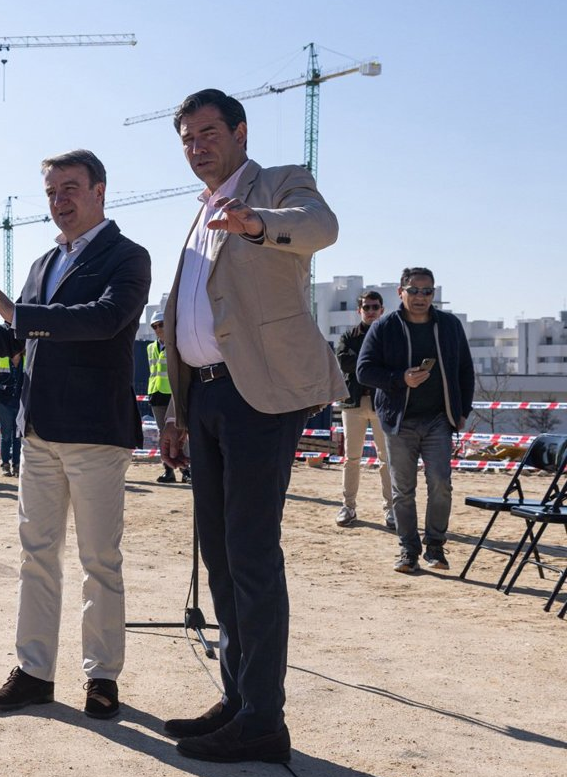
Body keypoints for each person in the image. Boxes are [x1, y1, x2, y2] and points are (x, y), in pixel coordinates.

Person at [0, 148, 149, 721]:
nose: (59, 201)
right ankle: (35, 672)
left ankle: (102, 677)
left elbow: (103, 320)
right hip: (38, 435)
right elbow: (20, 338)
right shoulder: (44, 262)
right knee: (36, 558)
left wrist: (21, 315)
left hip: (94, 435)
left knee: (100, 562)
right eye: (50, 192)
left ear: (100, 191)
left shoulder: (128, 257)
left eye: (70, 188)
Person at [156, 89, 343, 765]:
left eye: (207, 132)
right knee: (221, 554)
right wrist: (178, 411)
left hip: (259, 396)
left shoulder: (278, 185)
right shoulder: (199, 214)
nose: (196, 145)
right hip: (204, 400)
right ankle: (239, 698)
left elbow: (321, 228)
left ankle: (264, 719)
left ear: (239, 132)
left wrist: (258, 224)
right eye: (186, 137)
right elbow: (191, 318)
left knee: (252, 555)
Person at [357, 268, 475, 574]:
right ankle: (408, 549)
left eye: (427, 291)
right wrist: (401, 378)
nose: (421, 297)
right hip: (399, 421)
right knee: (402, 490)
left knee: (440, 484)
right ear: (401, 292)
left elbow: (465, 369)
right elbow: (364, 371)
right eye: (414, 290)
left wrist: (462, 410)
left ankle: (435, 546)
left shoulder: (449, 325)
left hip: (439, 419)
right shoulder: (384, 327)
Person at [334, 291, 395, 528]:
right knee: (351, 458)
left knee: (386, 459)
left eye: (375, 307)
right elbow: (344, 362)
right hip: (354, 404)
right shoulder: (349, 336)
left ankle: (391, 510)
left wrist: (366, 363)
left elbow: (391, 364)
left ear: (382, 309)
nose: (370, 311)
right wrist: (372, 361)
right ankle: (348, 507)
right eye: (366, 307)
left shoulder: (390, 335)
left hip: (383, 404)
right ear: (359, 310)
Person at [146, 313, 187, 484]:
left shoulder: (177, 344)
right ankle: (168, 471)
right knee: (162, 434)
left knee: (179, 433)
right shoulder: (149, 348)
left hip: (173, 395)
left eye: (161, 324)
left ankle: (186, 470)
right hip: (156, 394)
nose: (158, 329)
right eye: (154, 326)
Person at [0, 352, 24, 476]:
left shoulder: (28, 361)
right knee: (6, 436)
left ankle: (17, 465)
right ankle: (5, 465)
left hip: (21, 405)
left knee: (18, 437)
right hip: (4, 405)